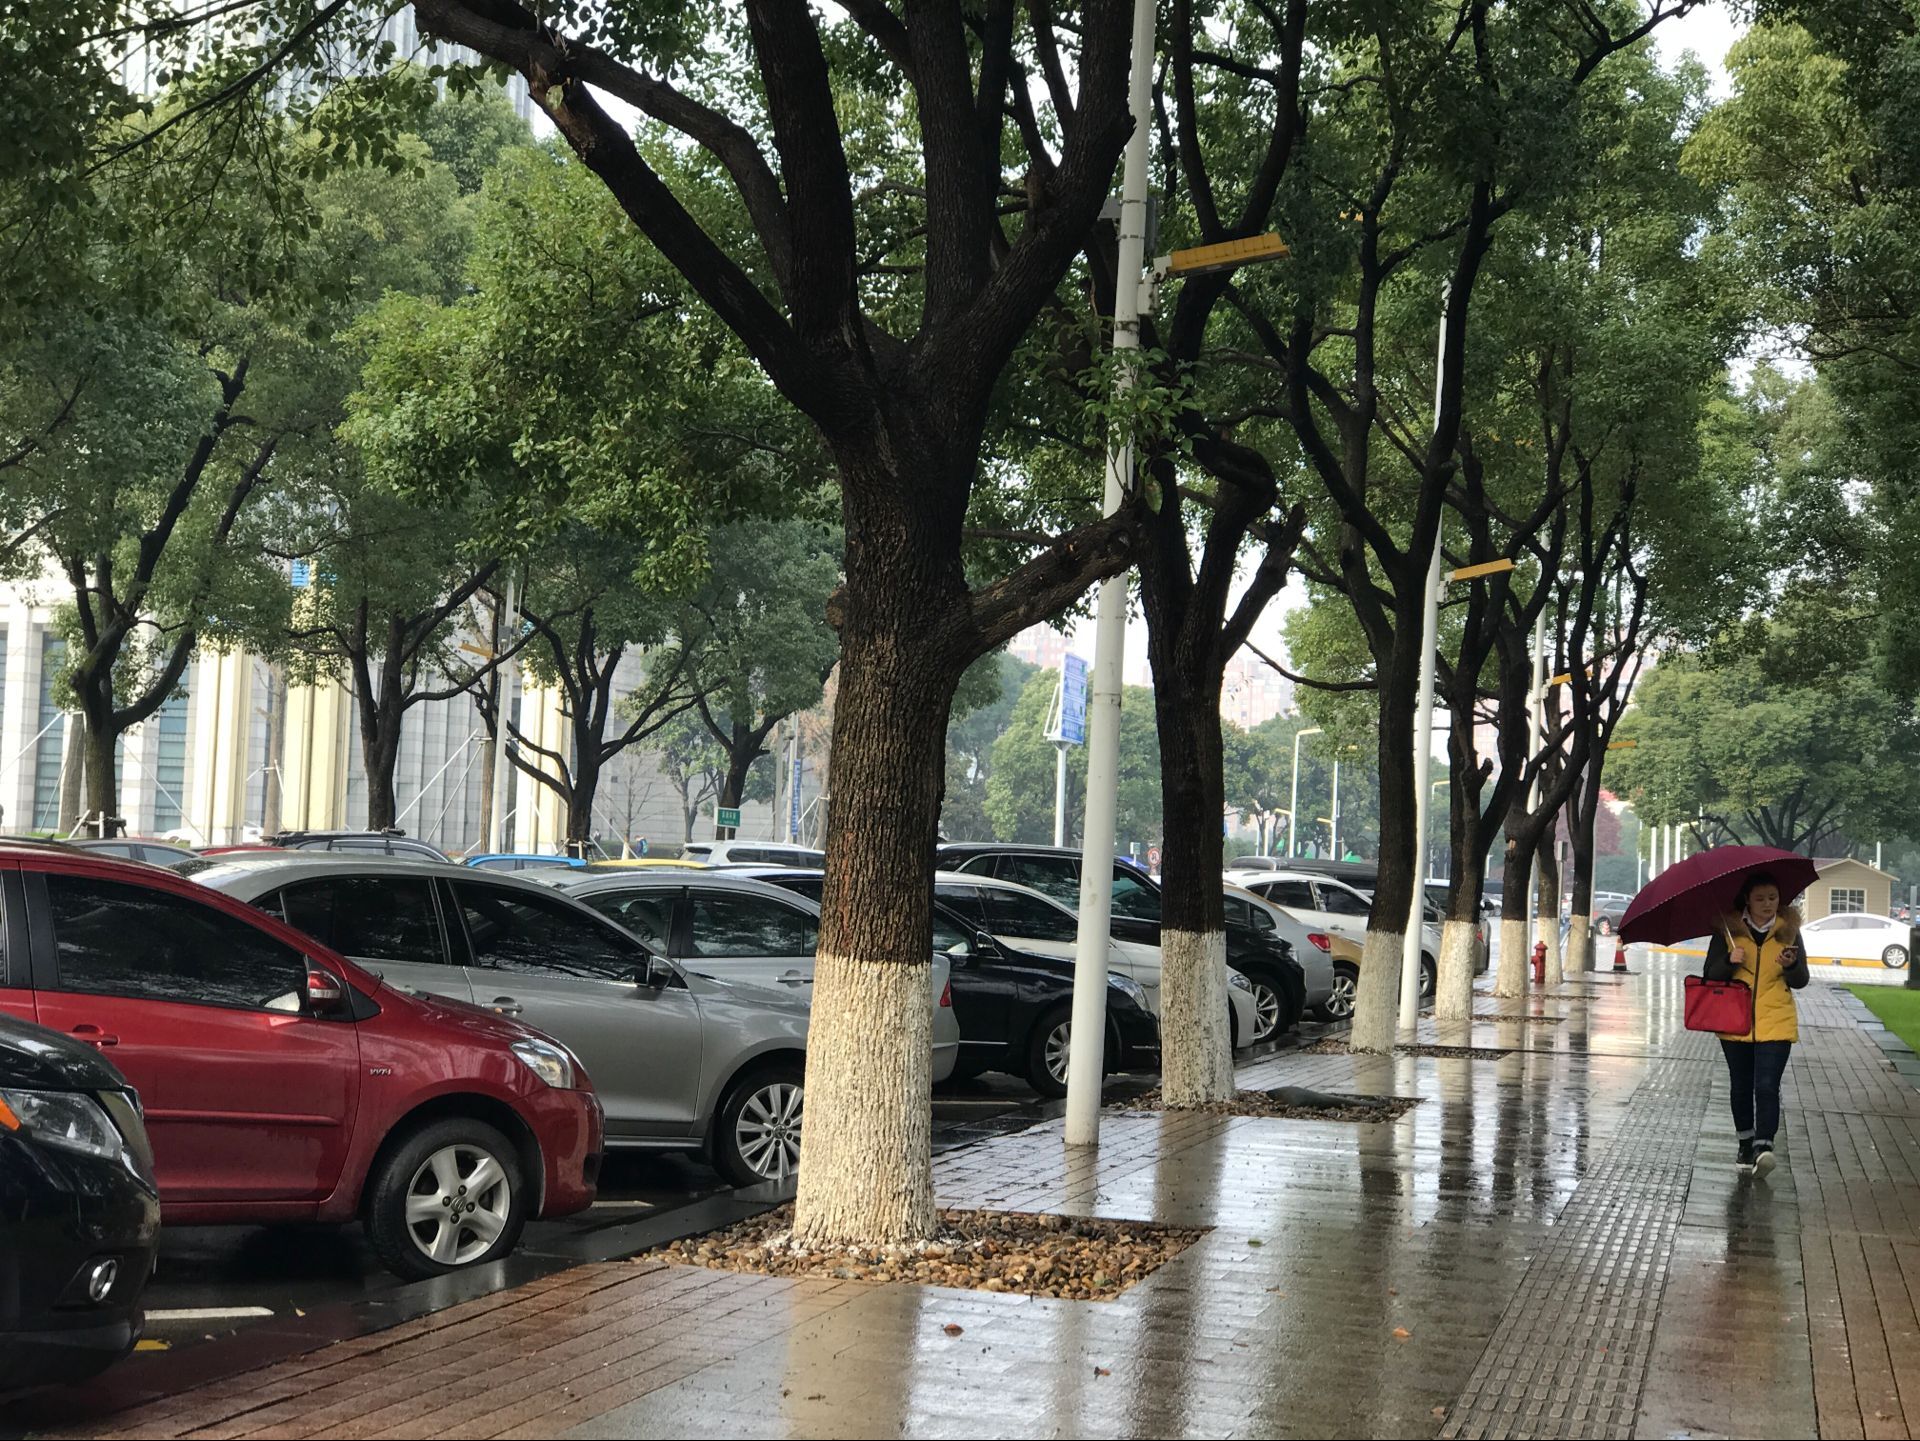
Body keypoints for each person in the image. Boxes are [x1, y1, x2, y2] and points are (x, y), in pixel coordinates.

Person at [1703, 872, 1809, 1177]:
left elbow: (1801, 980)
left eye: (1773, 898)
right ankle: (1745, 1143)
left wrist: (1791, 966)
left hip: (1776, 1020)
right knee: (1741, 1086)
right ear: (1747, 900)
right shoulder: (1727, 932)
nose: (1767, 904)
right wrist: (1729, 961)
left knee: (1766, 1085)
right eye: (1760, 898)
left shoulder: (1788, 932)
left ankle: (1764, 1146)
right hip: (1735, 1022)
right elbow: (1710, 975)